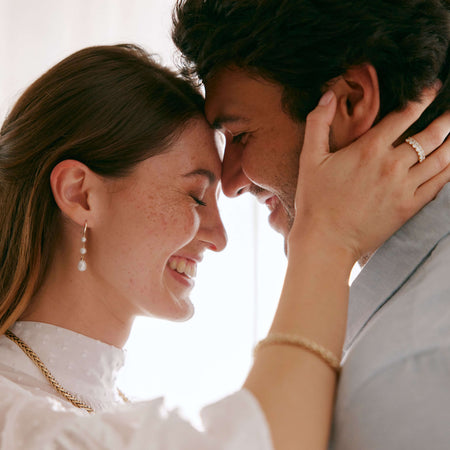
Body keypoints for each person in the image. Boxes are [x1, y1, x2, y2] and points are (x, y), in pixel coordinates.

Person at [0, 44, 447, 450]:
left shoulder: (101, 408)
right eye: (196, 196)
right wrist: (326, 239)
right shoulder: (14, 414)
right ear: (81, 194)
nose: (219, 237)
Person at [172, 0, 450, 448]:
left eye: (241, 135)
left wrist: (324, 240)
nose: (228, 182)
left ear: (351, 100)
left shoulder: (412, 369)